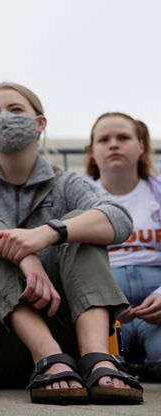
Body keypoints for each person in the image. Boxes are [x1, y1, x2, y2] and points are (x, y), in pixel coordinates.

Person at [0, 82, 143, 404]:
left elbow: (118, 218)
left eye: (15, 110)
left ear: (40, 123)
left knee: (81, 223)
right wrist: (22, 254)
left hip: (68, 345)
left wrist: (48, 233)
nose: (4, 118)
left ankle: (98, 359)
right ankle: (48, 357)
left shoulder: (68, 182)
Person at [86, 112, 161, 381]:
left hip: (157, 296)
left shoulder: (158, 192)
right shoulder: (79, 199)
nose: (114, 144)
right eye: (104, 139)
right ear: (92, 151)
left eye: (123, 137)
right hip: (105, 300)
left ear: (141, 147)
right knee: (102, 360)